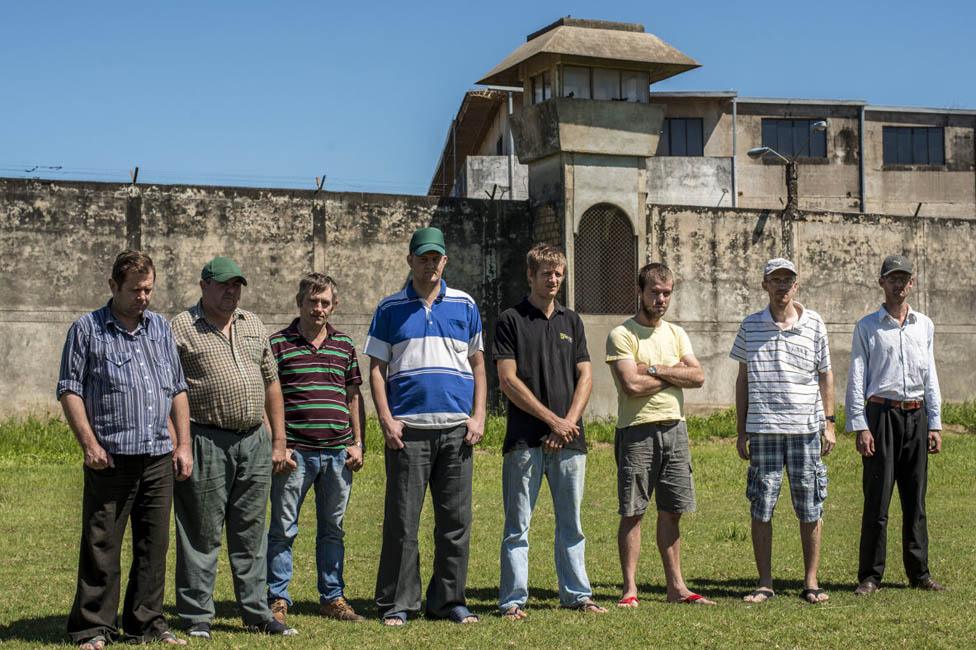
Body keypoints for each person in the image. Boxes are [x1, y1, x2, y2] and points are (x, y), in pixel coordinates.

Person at [57, 250, 192, 649]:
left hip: (157, 456)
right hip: (110, 458)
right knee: (102, 545)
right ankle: (93, 627)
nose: (143, 297)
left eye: (149, 289)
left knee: (154, 544)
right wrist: (89, 444)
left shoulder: (161, 329)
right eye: (135, 289)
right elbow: (69, 389)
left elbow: (177, 388)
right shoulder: (87, 329)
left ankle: (146, 623)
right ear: (113, 286)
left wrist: (182, 444)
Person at [170, 256, 297, 638]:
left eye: (237, 285)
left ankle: (257, 612)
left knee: (251, 531)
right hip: (206, 438)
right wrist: (181, 443)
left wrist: (278, 440)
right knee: (201, 531)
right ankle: (196, 617)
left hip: (253, 440)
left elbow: (271, 383)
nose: (231, 291)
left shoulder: (253, 323)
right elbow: (169, 391)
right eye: (224, 284)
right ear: (204, 285)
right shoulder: (181, 328)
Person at [365, 226, 486, 626]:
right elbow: (377, 371)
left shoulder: (466, 305)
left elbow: (478, 366)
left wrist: (479, 415)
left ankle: (448, 601)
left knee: (455, 521)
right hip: (408, 432)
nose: (430, 264)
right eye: (423, 257)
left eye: (436, 257)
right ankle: (398, 603)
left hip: (456, 431)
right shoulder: (389, 309)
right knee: (403, 521)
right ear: (410, 260)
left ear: (444, 261)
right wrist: (386, 420)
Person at [493, 244, 606, 620]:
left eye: (559, 273)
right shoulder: (510, 319)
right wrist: (551, 421)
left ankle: (577, 594)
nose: (554, 279)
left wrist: (567, 424)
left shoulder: (572, 321)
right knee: (517, 526)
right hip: (525, 441)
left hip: (570, 443)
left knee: (572, 524)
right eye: (546, 273)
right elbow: (508, 381)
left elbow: (586, 377)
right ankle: (512, 600)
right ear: (531, 275)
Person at [605, 262, 714, 606]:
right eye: (655, 292)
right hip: (637, 432)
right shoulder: (622, 334)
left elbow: (698, 377)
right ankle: (630, 589)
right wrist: (676, 373)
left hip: (675, 429)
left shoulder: (676, 333)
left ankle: (676, 588)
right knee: (634, 510)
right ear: (640, 292)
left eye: (667, 293)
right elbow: (630, 384)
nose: (661, 299)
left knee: (672, 510)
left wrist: (654, 368)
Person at [731, 258, 834, 604]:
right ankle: (764, 582)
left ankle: (811, 581)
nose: (782, 287)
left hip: (805, 429)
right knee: (762, 506)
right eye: (775, 281)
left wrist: (829, 424)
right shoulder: (750, 326)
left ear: (796, 285)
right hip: (763, 429)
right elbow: (743, 379)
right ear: (764, 285)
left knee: (810, 507)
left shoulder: (815, 324)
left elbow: (825, 375)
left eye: (787, 281)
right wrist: (741, 430)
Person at [266, 273, 367, 624]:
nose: (319, 308)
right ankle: (278, 598)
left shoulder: (345, 346)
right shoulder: (277, 344)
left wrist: (358, 444)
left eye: (325, 302)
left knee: (333, 528)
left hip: (338, 454)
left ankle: (332, 597)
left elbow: (354, 397)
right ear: (300, 302)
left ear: (334, 306)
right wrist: (277, 446)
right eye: (313, 301)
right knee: (283, 528)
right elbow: (268, 397)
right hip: (295, 455)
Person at [846, 254, 944, 595]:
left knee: (915, 500)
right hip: (881, 416)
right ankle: (871, 576)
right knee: (877, 499)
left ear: (912, 284)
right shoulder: (867, 326)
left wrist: (935, 423)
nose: (898, 284)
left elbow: (930, 375)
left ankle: (920, 574)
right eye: (892, 278)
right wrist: (860, 424)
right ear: (882, 283)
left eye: (904, 278)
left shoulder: (925, 325)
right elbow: (857, 377)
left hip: (916, 416)